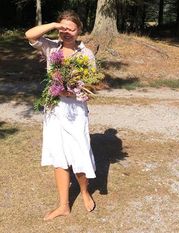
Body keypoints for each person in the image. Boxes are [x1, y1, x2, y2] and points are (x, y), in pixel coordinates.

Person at [25, 10, 96, 221]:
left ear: (79, 30)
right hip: (54, 108)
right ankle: (63, 205)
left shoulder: (86, 54)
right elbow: (30, 35)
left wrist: (75, 88)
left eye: (71, 29)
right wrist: (55, 24)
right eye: (63, 29)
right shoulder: (50, 47)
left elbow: (92, 86)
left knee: (80, 154)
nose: (67, 33)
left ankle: (84, 191)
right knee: (59, 156)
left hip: (76, 110)